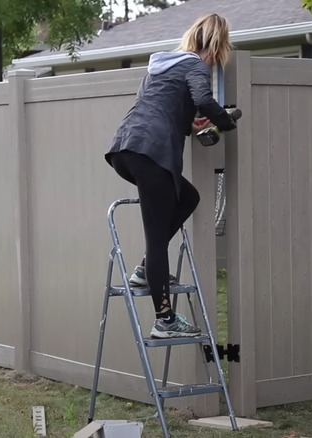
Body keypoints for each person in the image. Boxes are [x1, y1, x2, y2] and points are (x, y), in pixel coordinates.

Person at [105, 13, 237, 339]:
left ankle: (143, 271)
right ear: (217, 47)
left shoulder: (160, 66)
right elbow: (204, 99)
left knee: (188, 197)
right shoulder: (196, 65)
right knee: (157, 238)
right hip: (152, 155)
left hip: (127, 147)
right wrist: (226, 120)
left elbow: (158, 106)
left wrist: (187, 123)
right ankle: (164, 320)